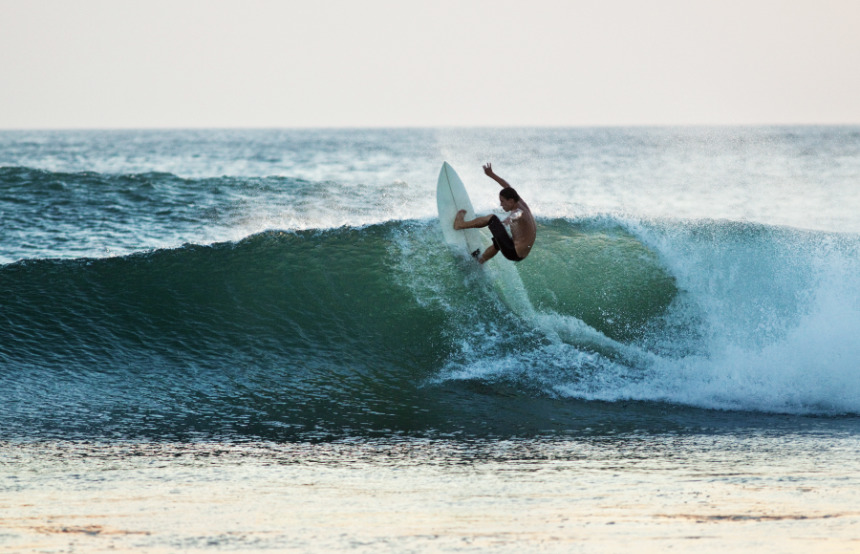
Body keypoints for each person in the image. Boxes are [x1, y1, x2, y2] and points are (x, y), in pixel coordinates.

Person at [453, 163, 536, 264]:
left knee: (492, 219)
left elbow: (517, 214)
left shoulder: (519, 211)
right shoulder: (520, 202)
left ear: (511, 201)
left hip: (513, 251)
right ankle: (480, 261)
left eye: (503, 201)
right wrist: (491, 174)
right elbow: (507, 186)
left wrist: (510, 218)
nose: (501, 204)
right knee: (499, 241)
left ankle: (460, 225)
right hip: (519, 253)